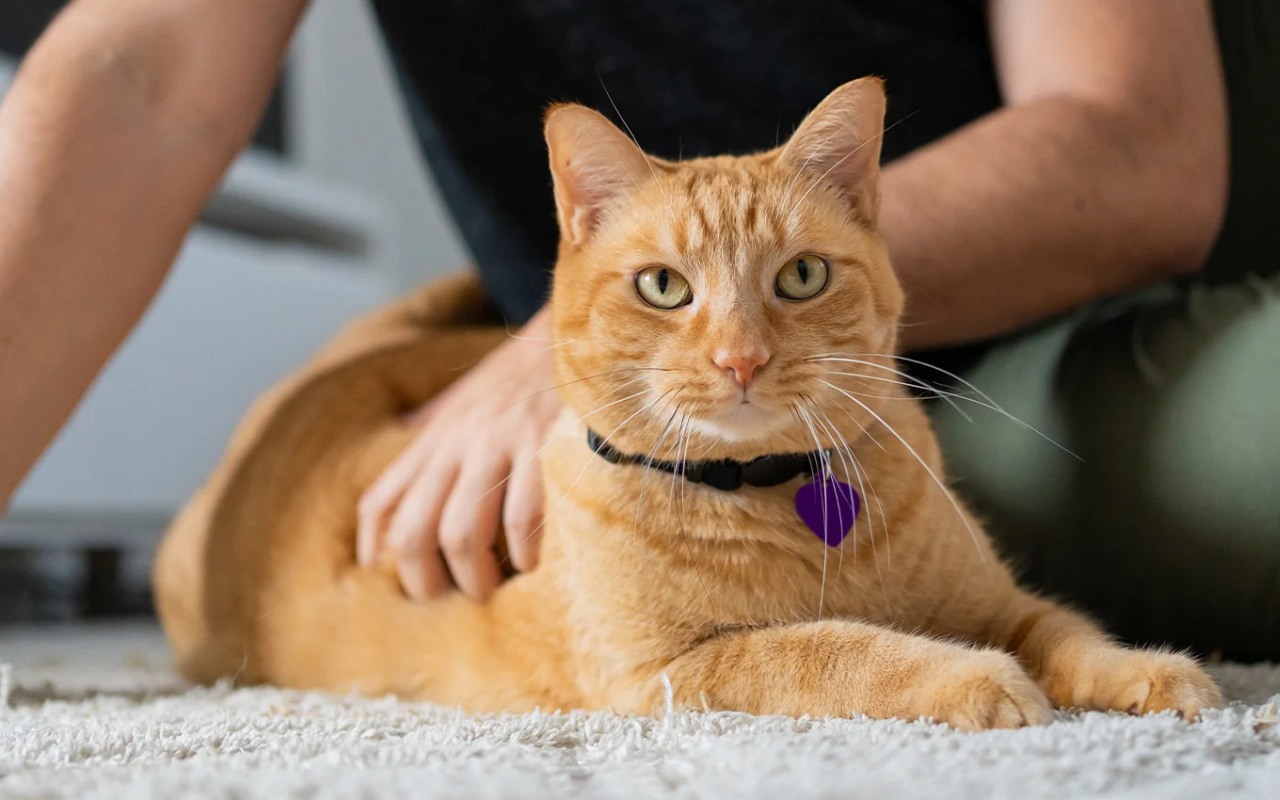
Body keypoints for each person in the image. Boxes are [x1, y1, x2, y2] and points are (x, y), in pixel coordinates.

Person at [0, 1, 1273, 658]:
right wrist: (564, 349)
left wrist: (558, 353)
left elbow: (1138, 142)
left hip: (1055, 312)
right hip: (629, 379)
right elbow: (141, 78)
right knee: (233, 566)